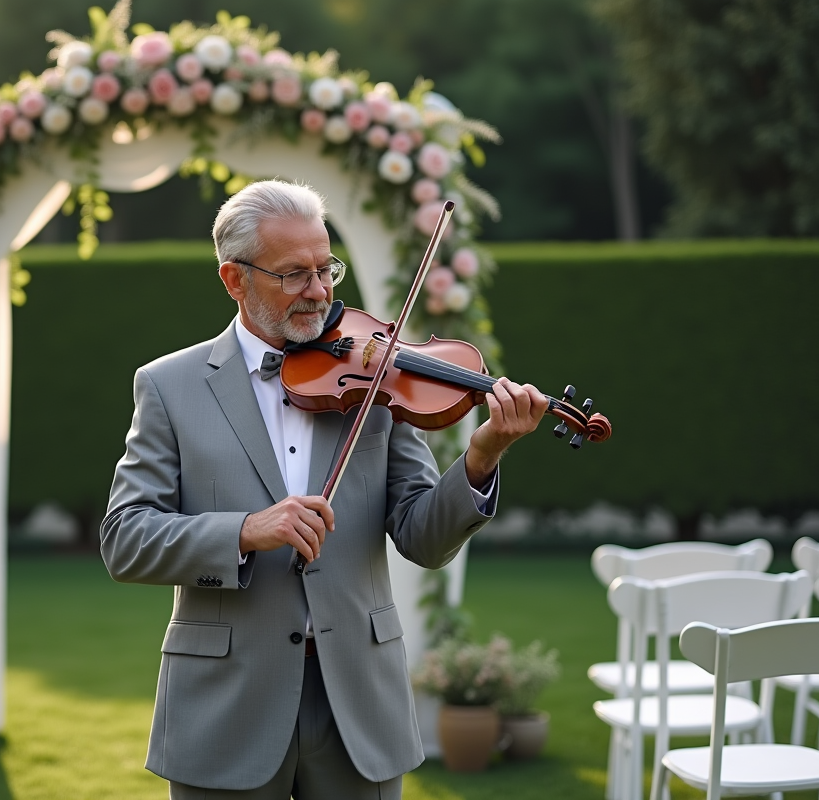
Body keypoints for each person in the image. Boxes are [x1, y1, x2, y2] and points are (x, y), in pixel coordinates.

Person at [101, 179, 548, 799]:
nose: (318, 291)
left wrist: (481, 455)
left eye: (325, 268)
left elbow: (422, 536)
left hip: (356, 704)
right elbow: (125, 539)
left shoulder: (374, 376)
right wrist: (245, 530)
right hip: (227, 700)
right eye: (293, 275)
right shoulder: (170, 387)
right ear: (234, 279)